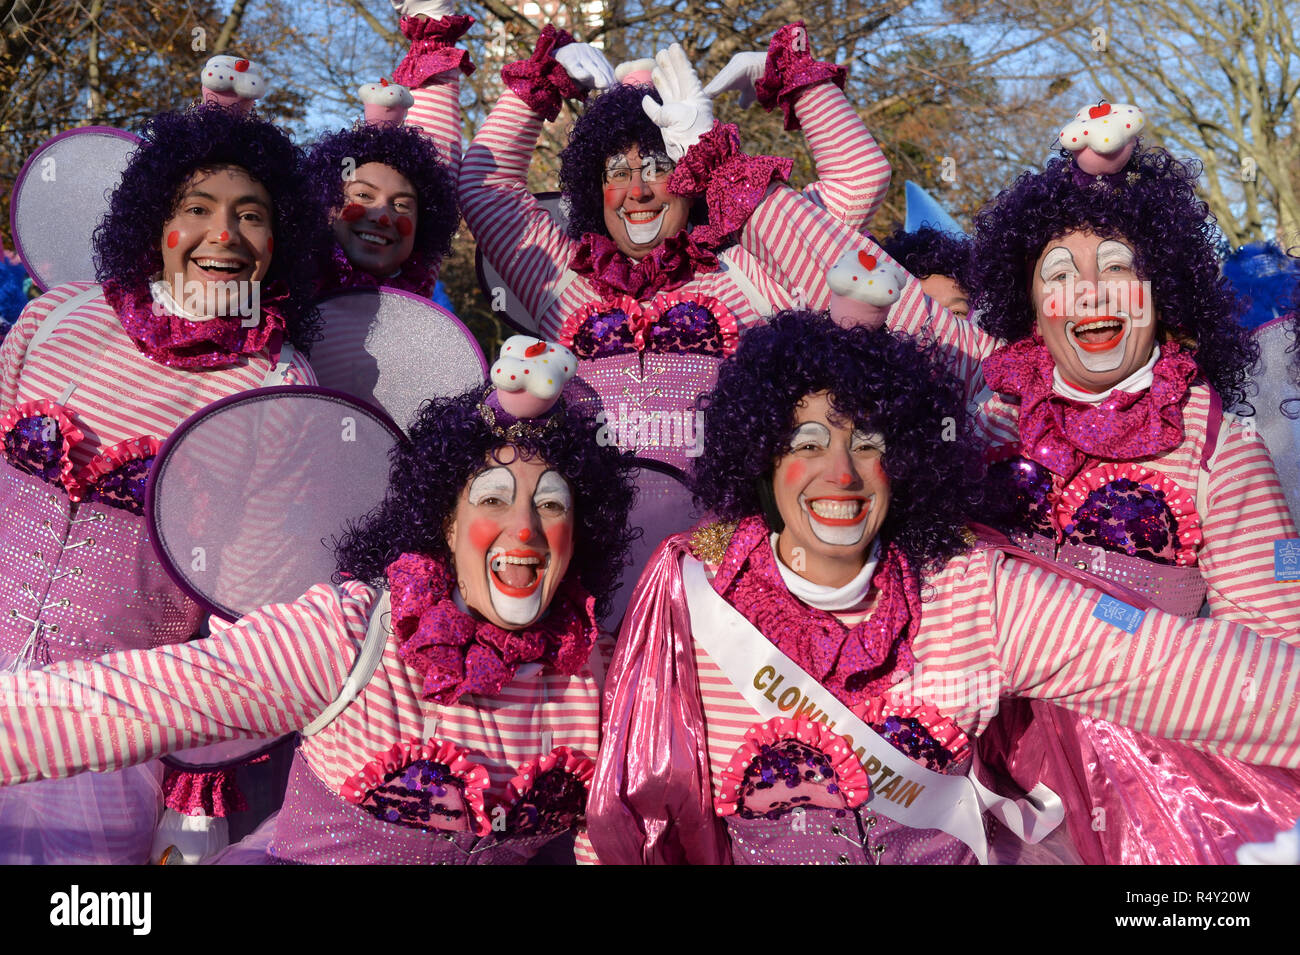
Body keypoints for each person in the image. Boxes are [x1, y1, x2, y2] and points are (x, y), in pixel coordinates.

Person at [588, 312, 1300, 864]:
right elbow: (627, 807)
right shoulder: (695, 590)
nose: (842, 473)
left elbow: (1181, 666)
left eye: (868, 442)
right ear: (761, 459)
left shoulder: (968, 588)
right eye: (807, 443)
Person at [0, 345, 636, 864]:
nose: (523, 528)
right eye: (493, 499)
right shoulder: (354, 635)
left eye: (551, 505)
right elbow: (125, 701)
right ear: (444, 523)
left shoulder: (603, 678)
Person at [0, 100, 322, 864]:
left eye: (251, 215)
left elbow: (249, 608)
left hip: (103, 741)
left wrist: (198, 774)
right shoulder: (58, 318)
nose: (225, 235)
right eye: (199, 208)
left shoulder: (278, 389)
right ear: (155, 219)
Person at [307, 2, 468, 297]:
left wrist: (432, 26)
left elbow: (438, 156)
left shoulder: (416, 283)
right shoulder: (279, 289)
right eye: (363, 195)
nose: (383, 216)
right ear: (324, 203)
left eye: (402, 205)